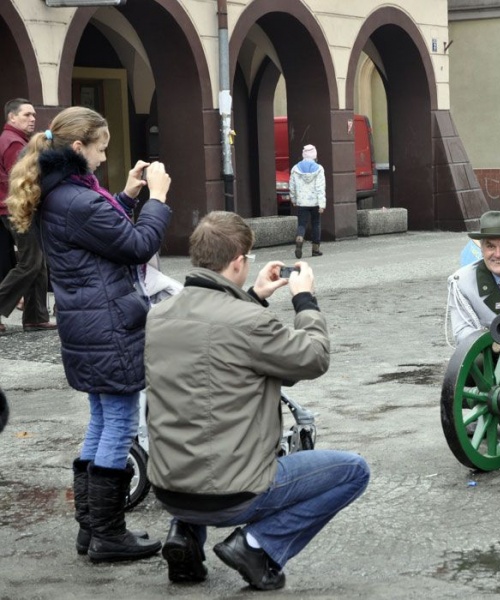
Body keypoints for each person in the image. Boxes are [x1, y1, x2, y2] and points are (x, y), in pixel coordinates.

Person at [144, 211, 370, 591]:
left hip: (169, 489)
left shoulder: (159, 316)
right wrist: (304, 300)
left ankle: (184, 534)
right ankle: (257, 545)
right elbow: (313, 358)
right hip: (233, 495)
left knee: (195, 425)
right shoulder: (248, 323)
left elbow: (213, 344)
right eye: (247, 259)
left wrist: (253, 297)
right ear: (238, 262)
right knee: (354, 471)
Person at [5, 106, 172, 560]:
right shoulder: (79, 199)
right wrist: (156, 198)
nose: (103, 158)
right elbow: (136, 244)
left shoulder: (65, 193)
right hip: (109, 324)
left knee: (101, 421)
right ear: (78, 148)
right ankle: (108, 534)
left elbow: (103, 233)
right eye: (100, 149)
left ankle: (91, 529)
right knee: (118, 424)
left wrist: (126, 194)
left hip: (88, 322)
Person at [0, 98, 52, 334]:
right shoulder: (13, 143)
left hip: (17, 207)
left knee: (37, 262)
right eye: (26, 115)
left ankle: (36, 317)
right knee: (30, 263)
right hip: (18, 209)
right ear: (12, 117)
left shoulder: (15, 140)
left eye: (33, 115)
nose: (33, 119)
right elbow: (22, 180)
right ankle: (34, 316)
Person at [447, 210, 500, 346]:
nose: (498, 254)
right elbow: (462, 333)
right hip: (492, 360)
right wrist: (495, 340)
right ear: (481, 249)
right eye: (490, 246)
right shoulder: (461, 283)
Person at [290, 143, 326, 259]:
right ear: (315, 156)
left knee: (302, 224)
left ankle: (300, 238)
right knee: (316, 224)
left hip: (302, 202)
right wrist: (322, 204)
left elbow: (292, 186)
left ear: (303, 156)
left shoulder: (295, 168)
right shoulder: (319, 169)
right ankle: (315, 249)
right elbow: (320, 187)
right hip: (315, 203)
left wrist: (294, 199)